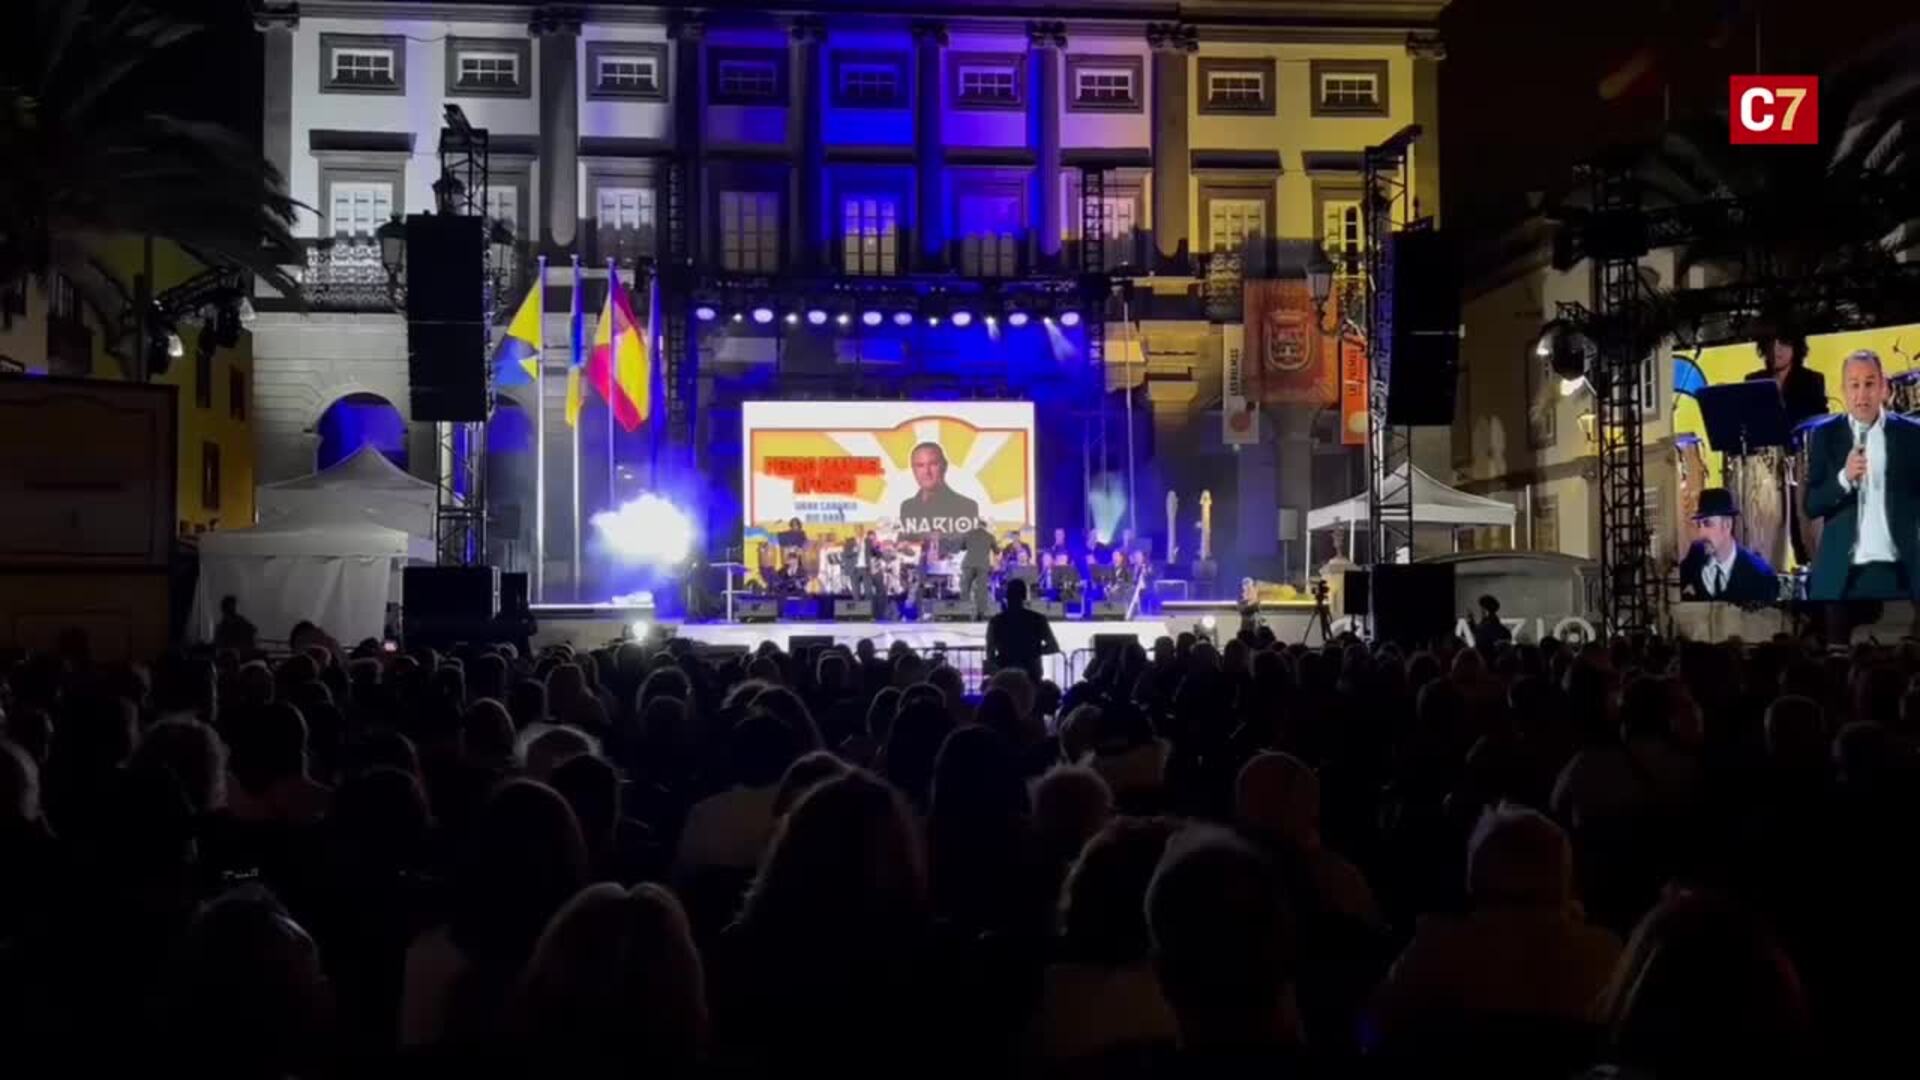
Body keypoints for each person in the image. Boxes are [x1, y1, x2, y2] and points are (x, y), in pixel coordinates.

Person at [1804, 349, 1920, 602]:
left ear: (1883, 388)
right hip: (1842, 578)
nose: (1862, 394)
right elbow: (1812, 504)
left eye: (1869, 384)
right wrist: (1844, 478)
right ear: (1844, 390)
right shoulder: (1825, 435)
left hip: (1901, 574)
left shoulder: (1911, 435)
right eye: (1854, 385)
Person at [1677, 488, 1777, 604]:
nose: (1701, 533)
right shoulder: (1696, 553)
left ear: (1727, 525)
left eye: (1708, 524)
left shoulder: (1759, 574)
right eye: (1699, 525)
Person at [897, 441, 981, 544]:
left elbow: (967, 548)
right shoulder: (908, 507)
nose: (927, 472)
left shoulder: (967, 507)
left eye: (933, 464)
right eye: (920, 465)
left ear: (944, 466)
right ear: (913, 470)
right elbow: (904, 547)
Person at [1746, 330, 1828, 429]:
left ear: (1795, 347)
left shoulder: (1812, 380)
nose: (1776, 349)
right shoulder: (1753, 381)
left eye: (1783, 342)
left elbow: (1820, 423)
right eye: (1770, 342)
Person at [985, 578, 1059, 681]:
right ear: (1024, 596)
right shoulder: (1038, 619)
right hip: (1031, 673)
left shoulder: (996, 621)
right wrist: (1033, 651)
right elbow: (1053, 647)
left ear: (1006, 595)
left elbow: (990, 651)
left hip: (1005, 673)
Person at [959, 522, 996, 619]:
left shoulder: (968, 534)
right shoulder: (989, 536)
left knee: (965, 587)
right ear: (985, 527)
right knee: (981, 589)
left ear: (977, 526)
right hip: (982, 565)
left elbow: (961, 547)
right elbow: (996, 551)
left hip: (968, 564)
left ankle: (963, 612)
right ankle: (981, 613)